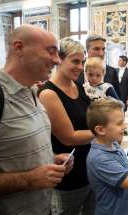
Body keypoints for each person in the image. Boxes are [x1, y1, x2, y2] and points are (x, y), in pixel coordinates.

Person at [0, 25, 73, 215]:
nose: (57, 60)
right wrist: (30, 179)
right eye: (51, 51)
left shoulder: (32, 91)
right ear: (19, 48)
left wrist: (49, 160)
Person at [38, 37, 95, 215]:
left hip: (89, 168)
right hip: (67, 174)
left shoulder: (78, 86)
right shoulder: (48, 93)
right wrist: (102, 132)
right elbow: (68, 137)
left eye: (82, 62)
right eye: (75, 61)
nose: (80, 67)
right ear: (59, 59)